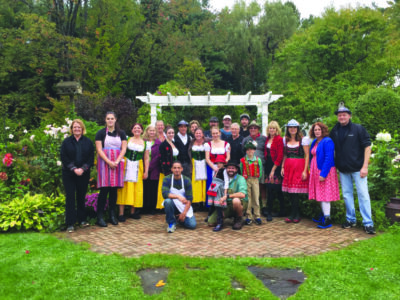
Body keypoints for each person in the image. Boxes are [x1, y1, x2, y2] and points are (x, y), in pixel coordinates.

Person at [330, 105, 375, 234]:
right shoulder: (335, 131)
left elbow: (367, 147)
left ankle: (368, 223)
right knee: (347, 195)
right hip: (343, 170)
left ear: (349, 116)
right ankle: (350, 219)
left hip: (358, 169)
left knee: (363, 195)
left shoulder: (358, 129)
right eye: (339, 115)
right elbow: (330, 148)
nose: (342, 117)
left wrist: (365, 166)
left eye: (344, 114)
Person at [60, 119, 94, 233]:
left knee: (81, 196)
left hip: (83, 174)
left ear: (82, 128)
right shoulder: (66, 142)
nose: (77, 129)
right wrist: (74, 168)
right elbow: (63, 157)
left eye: (79, 127)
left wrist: (83, 169)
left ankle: (82, 220)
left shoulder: (88, 142)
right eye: (75, 127)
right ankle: (70, 223)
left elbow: (90, 158)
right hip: (69, 174)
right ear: (71, 129)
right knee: (70, 197)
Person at [95, 112, 127, 227]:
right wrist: (109, 162)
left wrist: (117, 161)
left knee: (114, 191)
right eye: (108, 118)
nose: (110, 120)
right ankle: (100, 216)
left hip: (117, 163)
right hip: (104, 163)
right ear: (105, 120)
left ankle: (112, 215)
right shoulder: (100, 133)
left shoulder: (121, 133)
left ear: (115, 119)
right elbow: (99, 150)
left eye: (112, 118)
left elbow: (123, 149)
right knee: (104, 190)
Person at [308, 122, 340, 229]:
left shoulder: (327, 141)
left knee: (325, 195)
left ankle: (327, 218)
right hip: (316, 170)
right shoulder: (315, 142)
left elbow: (329, 157)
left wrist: (323, 173)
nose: (317, 131)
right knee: (320, 194)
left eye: (319, 129)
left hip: (324, 171)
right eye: (315, 130)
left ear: (323, 130)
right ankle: (323, 214)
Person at [117, 123, 149, 221]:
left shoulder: (145, 143)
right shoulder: (127, 139)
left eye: (138, 128)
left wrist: (146, 171)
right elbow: (121, 152)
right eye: (135, 128)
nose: (137, 130)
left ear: (142, 130)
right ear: (132, 130)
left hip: (138, 167)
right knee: (123, 188)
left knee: (136, 188)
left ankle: (132, 212)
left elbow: (146, 158)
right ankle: (121, 213)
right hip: (126, 165)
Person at [281, 119, 310, 223]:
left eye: (294, 127)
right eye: (290, 127)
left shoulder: (303, 140)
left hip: (299, 166)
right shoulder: (285, 140)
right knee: (291, 192)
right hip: (289, 167)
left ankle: (296, 214)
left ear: (297, 129)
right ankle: (293, 213)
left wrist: (305, 170)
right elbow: (285, 154)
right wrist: (282, 167)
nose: (292, 129)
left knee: (296, 192)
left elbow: (307, 155)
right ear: (288, 129)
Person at [207, 160, 248, 230]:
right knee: (210, 222)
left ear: (236, 169)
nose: (230, 170)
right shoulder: (223, 178)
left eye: (233, 168)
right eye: (229, 168)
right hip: (226, 204)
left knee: (236, 201)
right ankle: (224, 216)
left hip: (239, 203)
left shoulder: (241, 179)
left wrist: (227, 196)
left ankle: (238, 218)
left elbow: (242, 194)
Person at [162, 161, 197, 232]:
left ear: (182, 169)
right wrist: (178, 196)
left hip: (183, 206)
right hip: (173, 205)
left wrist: (184, 214)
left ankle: (179, 219)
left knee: (192, 225)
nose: (176, 170)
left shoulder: (187, 180)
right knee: (167, 201)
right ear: (171, 169)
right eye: (174, 168)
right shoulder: (167, 179)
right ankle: (171, 223)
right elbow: (165, 194)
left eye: (178, 168)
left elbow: (190, 199)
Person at [242, 120, 267, 210]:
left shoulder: (264, 139)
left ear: (258, 129)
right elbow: (243, 151)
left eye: (255, 128)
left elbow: (266, 151)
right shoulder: (246, 139)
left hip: (260, 166)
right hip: (248, 167)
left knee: (262, 185)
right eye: (251, 128)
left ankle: (263, 206)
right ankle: (251, 206)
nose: (253, 129)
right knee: (250, 187)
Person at [264, 121, 285, 221]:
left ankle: (270, 212)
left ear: (277, 130)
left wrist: (273, 169)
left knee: (274, 189)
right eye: (270, 128)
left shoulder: (279, 140)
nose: (271, 130)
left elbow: (280, 156)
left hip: (275, 166)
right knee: (271, 188)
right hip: (268, 165)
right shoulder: (267, 139)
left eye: (273, 128)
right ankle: (281, 210)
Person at [205, 126, 231, 203]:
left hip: (223, 167)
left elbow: (228, 157)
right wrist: (214, 167)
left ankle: (220, 203)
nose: (215, 135)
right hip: (212, 167)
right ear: (211, 134)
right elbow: (207, 158)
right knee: (211, 186)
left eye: (216, 133)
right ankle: (211, 205)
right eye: (213, 133)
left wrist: (222, 166)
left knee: (222, 185)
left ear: (219, 133)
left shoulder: (226, 144)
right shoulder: (208, 144)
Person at [240, 140, 263, 225]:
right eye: (248, 150)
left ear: (254, 150)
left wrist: (257, 179)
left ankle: (257, 216)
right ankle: (248, 216)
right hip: (246, 180)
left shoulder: (258, 160)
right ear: (246, 151)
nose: (250, 151)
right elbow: (242, 170)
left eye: (251, 149)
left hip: (255, 180)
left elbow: (260, 172)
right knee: (248, 198)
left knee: (256, 198)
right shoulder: (242, 160)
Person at [156, 126, 179, 209]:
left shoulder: (175, 143)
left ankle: (172, 205)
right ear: (166, 134)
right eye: (169, 133)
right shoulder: (163, 144)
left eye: (172, 133)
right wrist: (166, 171)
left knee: (173, 188)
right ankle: (162, 206)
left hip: (175, 170)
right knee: (165, 187)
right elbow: (162, 159)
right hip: (166, 170)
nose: (171, 134)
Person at [206, 156, 229, 231]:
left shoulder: (224, 171)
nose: (218, 164)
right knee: (212, 204)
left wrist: (225, 193)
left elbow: (226, 181)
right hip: (213, 188)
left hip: (219, 189)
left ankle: (220, 222)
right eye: (217, 163)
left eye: (220, 163)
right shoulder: (216, 170)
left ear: (223, 163)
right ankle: (210, 216)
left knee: (218, 205)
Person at [143, 124, 161, 214]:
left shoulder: (158, 143)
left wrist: (149, 167)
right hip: (143, 168)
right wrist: (145, 167)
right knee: (145, 187)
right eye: (150, 130)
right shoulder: (143, 141)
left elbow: (158, 156)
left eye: (153, 131)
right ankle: (144, 207)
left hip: (154, 169)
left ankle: (152, 207)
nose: (152, 132)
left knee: (153, 188)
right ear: (147, 131)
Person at [189, 127, 207, 206]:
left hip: (204, 164)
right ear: (194, 134)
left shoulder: (207, 141)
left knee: (204, 182)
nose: (198, 134)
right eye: (196, 133)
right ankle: (196, 202)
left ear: (203, 134)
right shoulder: (191, 142)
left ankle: (204, 201)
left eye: (200, 133)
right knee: (196, 183)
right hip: (195, 164)